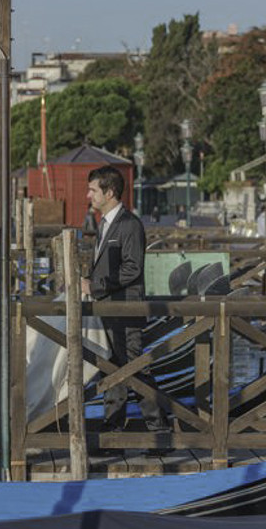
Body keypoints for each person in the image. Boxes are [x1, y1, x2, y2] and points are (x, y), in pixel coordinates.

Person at [81, 166, 166, 431]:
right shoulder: (103, 224)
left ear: (109, 192)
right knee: (114, 369)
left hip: (126, 308)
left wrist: (95, 287)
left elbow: (132, 268)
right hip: (108, 308)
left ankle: (159, 429)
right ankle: (114, 427)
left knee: (135, 369)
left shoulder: (130, 224)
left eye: (93, 190)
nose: (88, 196)